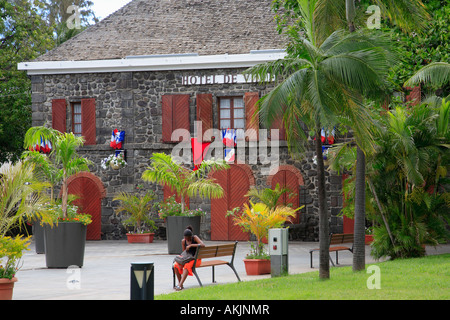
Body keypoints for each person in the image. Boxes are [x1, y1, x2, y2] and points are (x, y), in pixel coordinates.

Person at [173, 225, 205, 291]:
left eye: (188, 238)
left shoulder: (195, 238)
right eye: (186, 238)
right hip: (188, 258)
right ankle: (180, 284)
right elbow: (184, 253)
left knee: (187, 266)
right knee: (175, 265)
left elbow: (203, 245)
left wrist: (191, 245)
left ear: (191, 236)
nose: (187, 239)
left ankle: (179, 285)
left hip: (196, 259)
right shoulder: (183, 241)